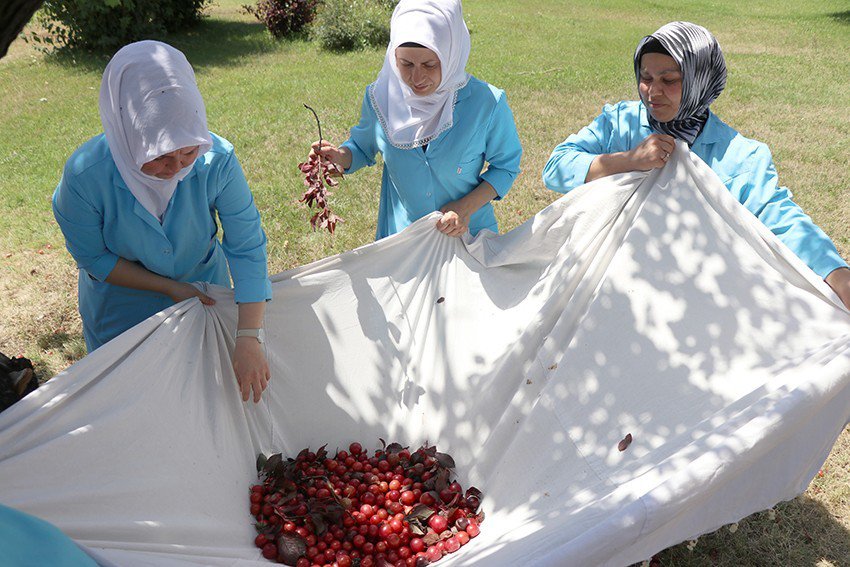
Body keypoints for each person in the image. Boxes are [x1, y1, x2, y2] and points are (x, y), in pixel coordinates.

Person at [542, 21, 850, 308]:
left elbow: (779, 217)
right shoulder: (620, 124)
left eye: (670, 80)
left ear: (700, 80)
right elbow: (556, 168)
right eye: (645, 78)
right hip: (606, 279)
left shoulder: (737, 156)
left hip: (689, 294)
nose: (653, 92)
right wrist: (628, 160)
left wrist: (837, 275)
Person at [53, 41, 273, 402]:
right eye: (159, 156)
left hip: (204, 293)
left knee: (206, 398)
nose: (176, 168)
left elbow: (247, 245)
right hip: (121, 309)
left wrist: (249, 335)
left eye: (188, 151)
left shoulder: (216, 160)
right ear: (128, 132)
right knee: (133, 404)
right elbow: (94, 259)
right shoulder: (85, 177)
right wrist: (169, 287)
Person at [311, 0, 522, 240]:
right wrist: (339, 158)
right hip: (404, 241)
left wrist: (465, 207)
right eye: (406, 64)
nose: (416, 77)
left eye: (430, 64)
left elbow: (506, 166)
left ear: (451, 54)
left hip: (470, 237)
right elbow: (361, 148)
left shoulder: (487, 103)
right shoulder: (381, 99)